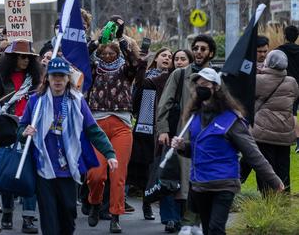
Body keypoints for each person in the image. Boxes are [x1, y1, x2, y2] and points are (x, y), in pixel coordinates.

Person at [171, 68, 284, 235]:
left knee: (216, 229)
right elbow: (196, 150)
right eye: (198, 85)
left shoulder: (232, 120)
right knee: (208, 229)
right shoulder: (194, 118)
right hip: (200, 185)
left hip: (224, 184)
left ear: (216, 87)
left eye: (206, 84)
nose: (201, 88)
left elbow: (252, 153)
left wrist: (274, 180)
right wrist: (182, 147)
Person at [20, 57, 117, 235]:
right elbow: (21, 128)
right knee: (49, 219)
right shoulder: (36, 101)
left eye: (62, 76)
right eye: (54, 76)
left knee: (68, 215)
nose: (58, 80)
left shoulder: (77, 101)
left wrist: (109, 154)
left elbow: (93, 130)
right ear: (47, 77)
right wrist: (24, 133)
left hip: (68, 169)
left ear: (68, 79)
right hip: (44, 169)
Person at [85, 37, 145, 234]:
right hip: (97, 125)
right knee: (96, 173)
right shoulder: (93, 70)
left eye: (113, 53)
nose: (109, 57)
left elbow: (136, 65)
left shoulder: (124, 71)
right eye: (105, 54)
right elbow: (79, 61)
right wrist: (93, 44)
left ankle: (115, 215)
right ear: (100, 55)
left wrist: (126, 47)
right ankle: (94, 203)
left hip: (121, 125)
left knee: (118, 174)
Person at [156, 34, 217, 228]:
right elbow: (164, 104)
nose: (198, 52)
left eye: (203, 49)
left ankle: (193, 221)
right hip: (179, 133)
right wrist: (163, 130)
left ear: (211, 53)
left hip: (203, 138)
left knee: (197, 181)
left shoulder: (216, 78)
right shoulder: (179, 74)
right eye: (196, 48)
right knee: (171, 175)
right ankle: (171, 218)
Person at [0, 40, 42, 233]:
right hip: (7, 127)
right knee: (7, 169)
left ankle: (29, 218)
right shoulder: (0, 78)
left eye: (29, 58)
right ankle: (6, 212)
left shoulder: (37, 80)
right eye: (21, 56)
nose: (25, 60)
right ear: (12, 57)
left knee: (30, 172)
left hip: (29, 127)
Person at [128, 47, 173, 223]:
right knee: (140, 166)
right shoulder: (147, 77)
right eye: (164, 55)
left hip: (163, 128)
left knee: (157, 167)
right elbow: (136, 97)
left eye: (170, 56)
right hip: (145, 126)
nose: (167, 58)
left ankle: (149, 202)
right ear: (156, 59)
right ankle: (135, 200)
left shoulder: (172, 78)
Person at [248, 50, 299, 193]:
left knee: (265, 167)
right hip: (284, 131)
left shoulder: (258, 80)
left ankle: (267, 199)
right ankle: (284, 198)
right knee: (283, 167)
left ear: (269, 62)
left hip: (263, 132)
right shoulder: (292, 82)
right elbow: (294, 97)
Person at [275, 25, 299, 153]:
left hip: (287, 85)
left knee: (292, 112)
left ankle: (297, 139)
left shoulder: (280, 51)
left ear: (284, 36)